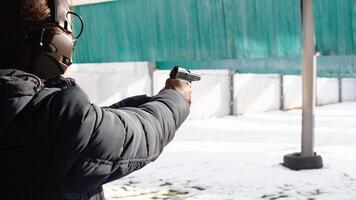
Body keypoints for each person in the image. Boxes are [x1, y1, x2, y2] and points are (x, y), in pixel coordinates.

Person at [0, 0, 191, 199]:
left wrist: (142, 104)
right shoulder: (55, 121)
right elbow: (142, 133)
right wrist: (176, 97)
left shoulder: (32, 116)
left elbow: (91, 127)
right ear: (52, 42)